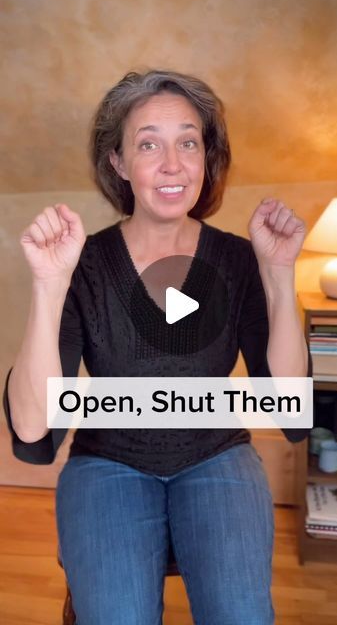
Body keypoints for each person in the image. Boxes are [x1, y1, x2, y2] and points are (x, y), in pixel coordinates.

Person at [3, 70, 310, 625]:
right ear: (118, 162)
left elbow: (287, 404)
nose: (173, 164)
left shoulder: (239, 259)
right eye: (149, 143)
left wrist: (278, 274)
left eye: (188, 142)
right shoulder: (85, 264)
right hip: (107, 464)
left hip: (217, 456)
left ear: (205, 157)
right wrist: (50, 284)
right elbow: (31, 428)